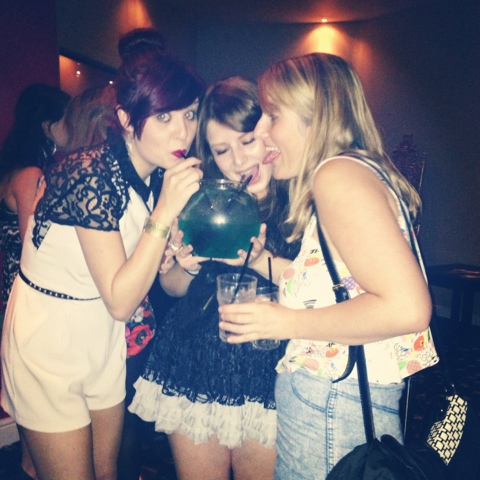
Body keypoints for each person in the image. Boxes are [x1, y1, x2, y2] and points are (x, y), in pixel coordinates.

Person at [218, 53, 439, 479]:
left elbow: (407, 308)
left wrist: (283, 322)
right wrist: (260, 260)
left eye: (273, 115)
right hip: (340, 399)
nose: (261, 130)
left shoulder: (335, 176)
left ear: (315, 116)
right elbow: (340, 286)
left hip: (333, 401)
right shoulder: (358, 170)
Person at [0, 41, 205, 480]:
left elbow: (156, 283)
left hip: (103, 336)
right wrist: (164, 214)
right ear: (127, 120)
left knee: (105, 471)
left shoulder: (157, 176)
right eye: (164, 117)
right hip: (50, 338)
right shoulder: (87, 171)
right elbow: (121, 300)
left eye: (190, 114)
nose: (182, 133)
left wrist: (182, 261)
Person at [129, 76, 300, 480]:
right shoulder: (202, 201)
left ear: (269, 131)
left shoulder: (300, 199)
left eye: (247, 141)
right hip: (196, 360)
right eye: (222, 150)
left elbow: (318, 287)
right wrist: (186, 265)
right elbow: (172, 287)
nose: (239, 161)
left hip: (271, 369)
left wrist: (260, 261)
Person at [0, 83, 70, 480]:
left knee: (31, 406)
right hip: (31, 293)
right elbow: (34, 241)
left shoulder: (15, 168)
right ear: (47, 126)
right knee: (39, 407)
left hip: (14, 289)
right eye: (65, 120)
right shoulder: (31, 174)